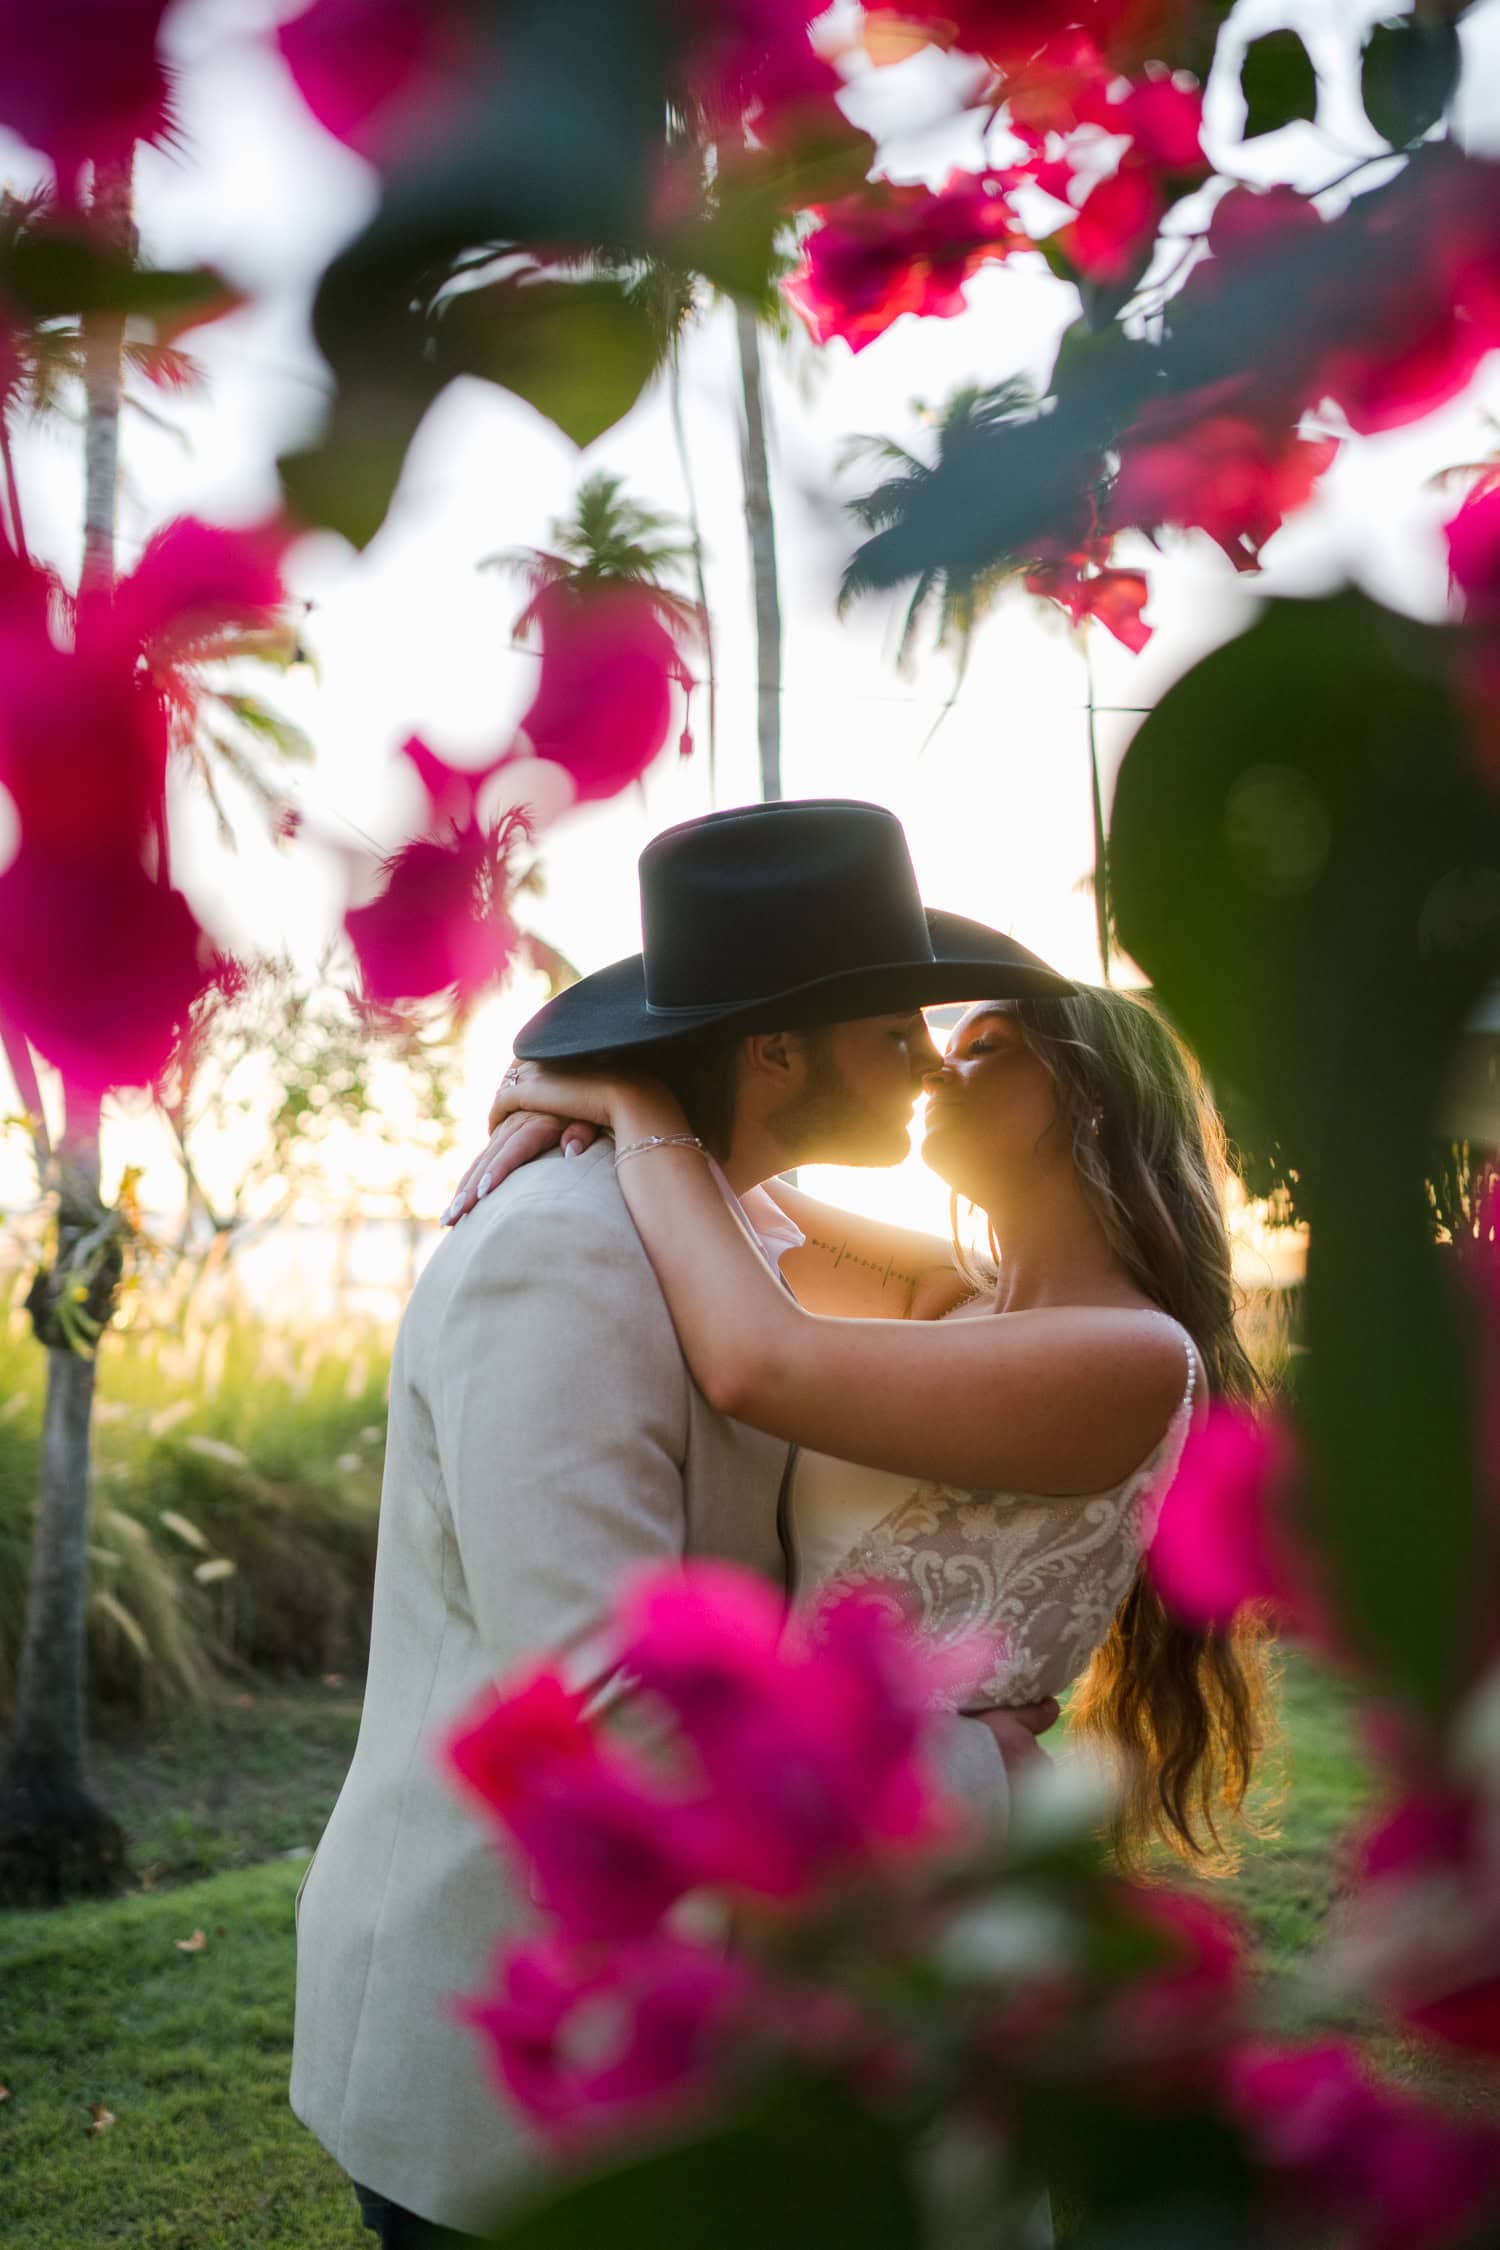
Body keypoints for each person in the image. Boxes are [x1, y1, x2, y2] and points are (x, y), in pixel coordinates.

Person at [289, 797, 1075, 2249]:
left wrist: (623, 1100)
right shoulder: (562, 1259)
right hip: (498, 2044)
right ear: (775, 1048)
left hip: (664, 2026)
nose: (923, 1068)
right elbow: (605, 1707)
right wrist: (981, 1754)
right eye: (892, 1033)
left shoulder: (724, 1230)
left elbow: (973, 1304)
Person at [464, 978, 1271, 1879]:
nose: (936, 1069)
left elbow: (756, 1361)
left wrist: (628, 1099)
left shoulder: (1133, 1358)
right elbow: (721, 1193)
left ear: (1093, 1105)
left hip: (931, 1845)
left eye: (984, 1048)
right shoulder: (950, 1294)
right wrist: (576, 1111)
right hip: (816, 1819)